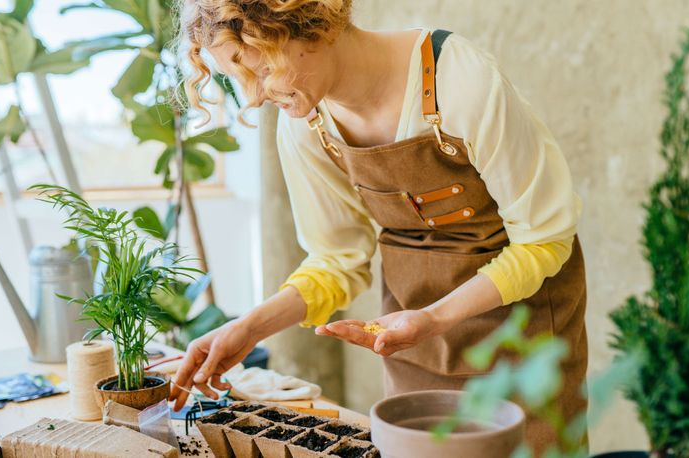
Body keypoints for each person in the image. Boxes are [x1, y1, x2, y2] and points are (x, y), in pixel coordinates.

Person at [169, 0, 588, 451]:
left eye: (262, 70)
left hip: (524, 333)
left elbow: (543, 238)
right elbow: (337, 260)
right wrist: (249, 328)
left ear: (312, 27)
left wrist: (434, 317)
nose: (253, 97)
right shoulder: (307, 126)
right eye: (240, 80)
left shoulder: (457, 80)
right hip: (415, 342)